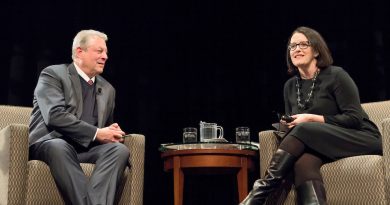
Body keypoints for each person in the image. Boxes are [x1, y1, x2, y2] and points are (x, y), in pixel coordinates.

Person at [240, 26, 382, 205]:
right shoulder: (290, 86)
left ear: (316, 50)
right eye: (292, 46)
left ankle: (259, 194)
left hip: (360, 137)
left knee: (305, 127)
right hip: (320, 141)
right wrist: (288, 125)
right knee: (303, 164)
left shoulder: (336, 75)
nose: (296, 49)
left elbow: (354, 119)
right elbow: (298, 126)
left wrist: (312, 118)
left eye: (302, 44)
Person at [29, 29, 130, 205]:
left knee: (119, 150)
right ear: (79, 52)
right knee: (59, 146)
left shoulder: (108, 89)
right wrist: (97, 132)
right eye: (99, 51)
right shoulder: (53, 74)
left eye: (106, 52)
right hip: (51, 143)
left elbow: (104, 128)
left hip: (85, 149)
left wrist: (111, 132)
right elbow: (54, 115)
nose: (105, 56)